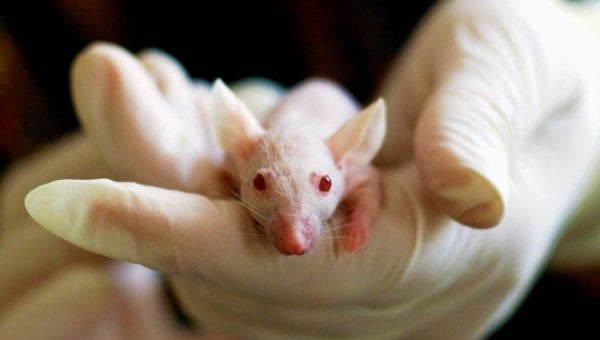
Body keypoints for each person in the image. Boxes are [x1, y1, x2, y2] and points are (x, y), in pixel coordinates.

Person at [1, 0, 599, 338]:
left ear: (353, 151)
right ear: (238, 148)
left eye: (323, 189)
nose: (293, 237)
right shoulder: (244, 155)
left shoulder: (349, 163)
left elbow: (362, 186)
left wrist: (583, 185)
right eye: (257, 185)